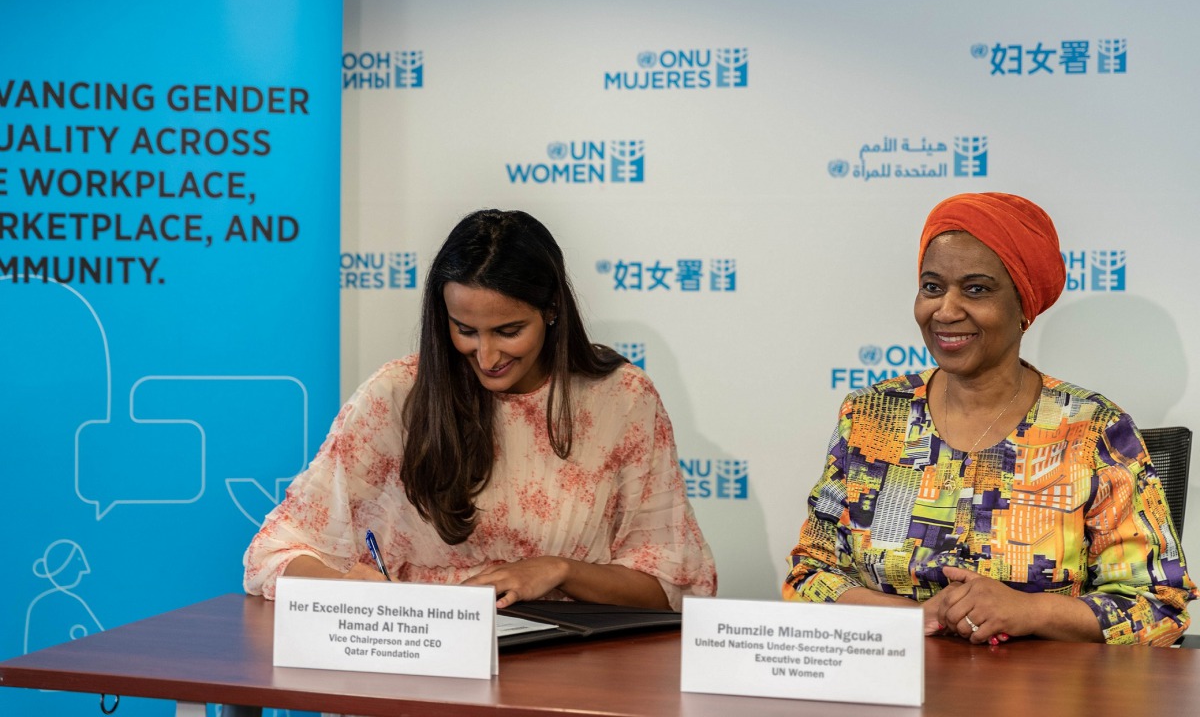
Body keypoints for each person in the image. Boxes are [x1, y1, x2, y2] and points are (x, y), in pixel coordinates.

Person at [245, 209, 716, 610]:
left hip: (563, 671)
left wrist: (559, 572)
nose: (487, 357)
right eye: (465, 330)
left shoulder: (622, 399)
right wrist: (342, 587)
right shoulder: (398, 395)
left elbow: (674, 588)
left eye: (509, 331)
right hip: (414, 662)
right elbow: (274, 551)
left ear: (552, 310)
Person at [782, 192, 1196, 645]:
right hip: (889, 687)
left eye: (976, 289)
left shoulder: (1092, 430)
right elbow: (809, 577)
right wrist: (915, 616)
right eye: (932, 287)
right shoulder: (871, 416)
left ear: (1024, 306)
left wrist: (1029, 611)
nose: (946, 310)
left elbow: (1159, 606)